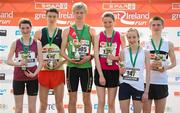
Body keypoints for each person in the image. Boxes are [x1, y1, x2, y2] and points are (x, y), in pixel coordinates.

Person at [61, 2, 96, 113]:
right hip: (72, 67)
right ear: (73, 14)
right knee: (72, 99)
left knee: (87, 99)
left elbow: (96, 51)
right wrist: (68, 59)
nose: (79, 15)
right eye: (77, 13)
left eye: (81, 13)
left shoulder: (91, 30)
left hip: (86, 68)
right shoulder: (67, 30)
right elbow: (62, 51)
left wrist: (89, 57)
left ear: (85, 14)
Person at [7, 18, 43, 113]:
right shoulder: (16, 43)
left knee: (32, 108)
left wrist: (34, 74)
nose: (25, 30)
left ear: (31, 28)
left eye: (27, 28)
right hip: (18, 78)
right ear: (19, 29)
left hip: (33, 78)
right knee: (18, 108)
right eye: (22, 28)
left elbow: (41, 62)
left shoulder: (37, 43)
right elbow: (8, 60)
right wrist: (19, 63)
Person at [34, 8, 66, 113]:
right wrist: (42, 62)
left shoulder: (62, 33)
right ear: (46, 17)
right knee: (43, 105)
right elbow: (35, 53)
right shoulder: (39, 33)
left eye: (54, 16)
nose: (52, 19)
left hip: (59, 70)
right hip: (43, 71)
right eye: (50, 16)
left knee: (59, 104)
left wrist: (60, 63)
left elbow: (67, 54)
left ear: (57, 18)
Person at [143, 16, 176, 113]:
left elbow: (174, 63)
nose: (156, 27)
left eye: (158, 25)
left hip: (161, 82)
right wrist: (148, 66)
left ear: (163, 26)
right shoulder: (144, 43)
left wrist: (165, 67)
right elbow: (139, 64)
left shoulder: (168, 44)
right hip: (146, 83)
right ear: (150, 27)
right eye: (153, 25)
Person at [94, 12, 125, 113]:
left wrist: (115, 58)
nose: (107, 24)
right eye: (105, 22)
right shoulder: (98, 36)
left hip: (114, 71)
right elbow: (96, 57)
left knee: (111, 103)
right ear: (102, 22)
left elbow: (124, 56)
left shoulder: (120, 36)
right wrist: (101, 75)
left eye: (110, 22)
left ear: (114, 22)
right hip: (101, 71)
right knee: (101, 102)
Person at [118, 28, 150, 113]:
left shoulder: (145, 52)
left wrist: (146, 92)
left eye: (134, 37)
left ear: (138, 38)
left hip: (138, 86)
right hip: (125, 84)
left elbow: (148, 73)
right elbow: (121, 71)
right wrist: (121, 70)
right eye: (129, 37)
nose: (131, 40)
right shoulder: (123, 52)